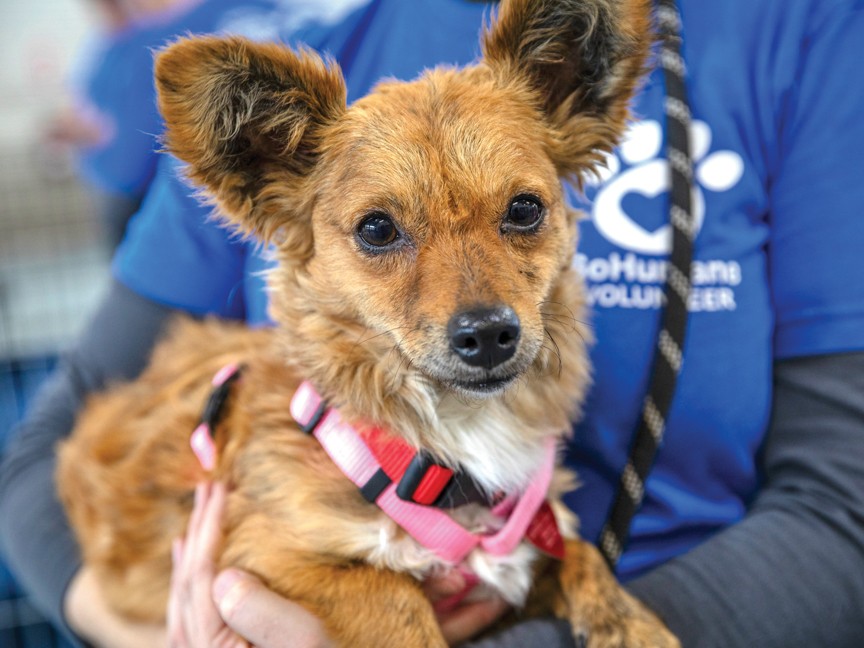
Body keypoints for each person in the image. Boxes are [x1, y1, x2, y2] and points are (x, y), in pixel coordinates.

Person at [2, 0, 864, 646]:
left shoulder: (801, 30)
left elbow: (842, 508)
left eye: (521, 212)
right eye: (381, 232)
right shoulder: (310, 40)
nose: (475, 309)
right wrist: (166, 633)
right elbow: (38, 465)